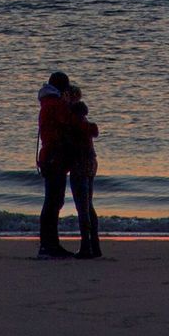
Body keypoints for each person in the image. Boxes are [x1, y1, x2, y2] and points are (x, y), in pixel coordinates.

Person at [35, 70, 94, 259]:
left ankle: (49, 245)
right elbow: (72, 123)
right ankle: (48, 246)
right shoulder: (56, 104)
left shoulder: (48, 102)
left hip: (50, 157)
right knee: (53, 202)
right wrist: (91, 127)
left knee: (53, 202)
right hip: (55, 158)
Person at [66, 85, 102, 259]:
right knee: (88, 205)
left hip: (80, 164)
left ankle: (86, 247)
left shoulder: (73, 122)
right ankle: (94, 245)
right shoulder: (85, 122)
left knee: (82, 207)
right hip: (91, 162)